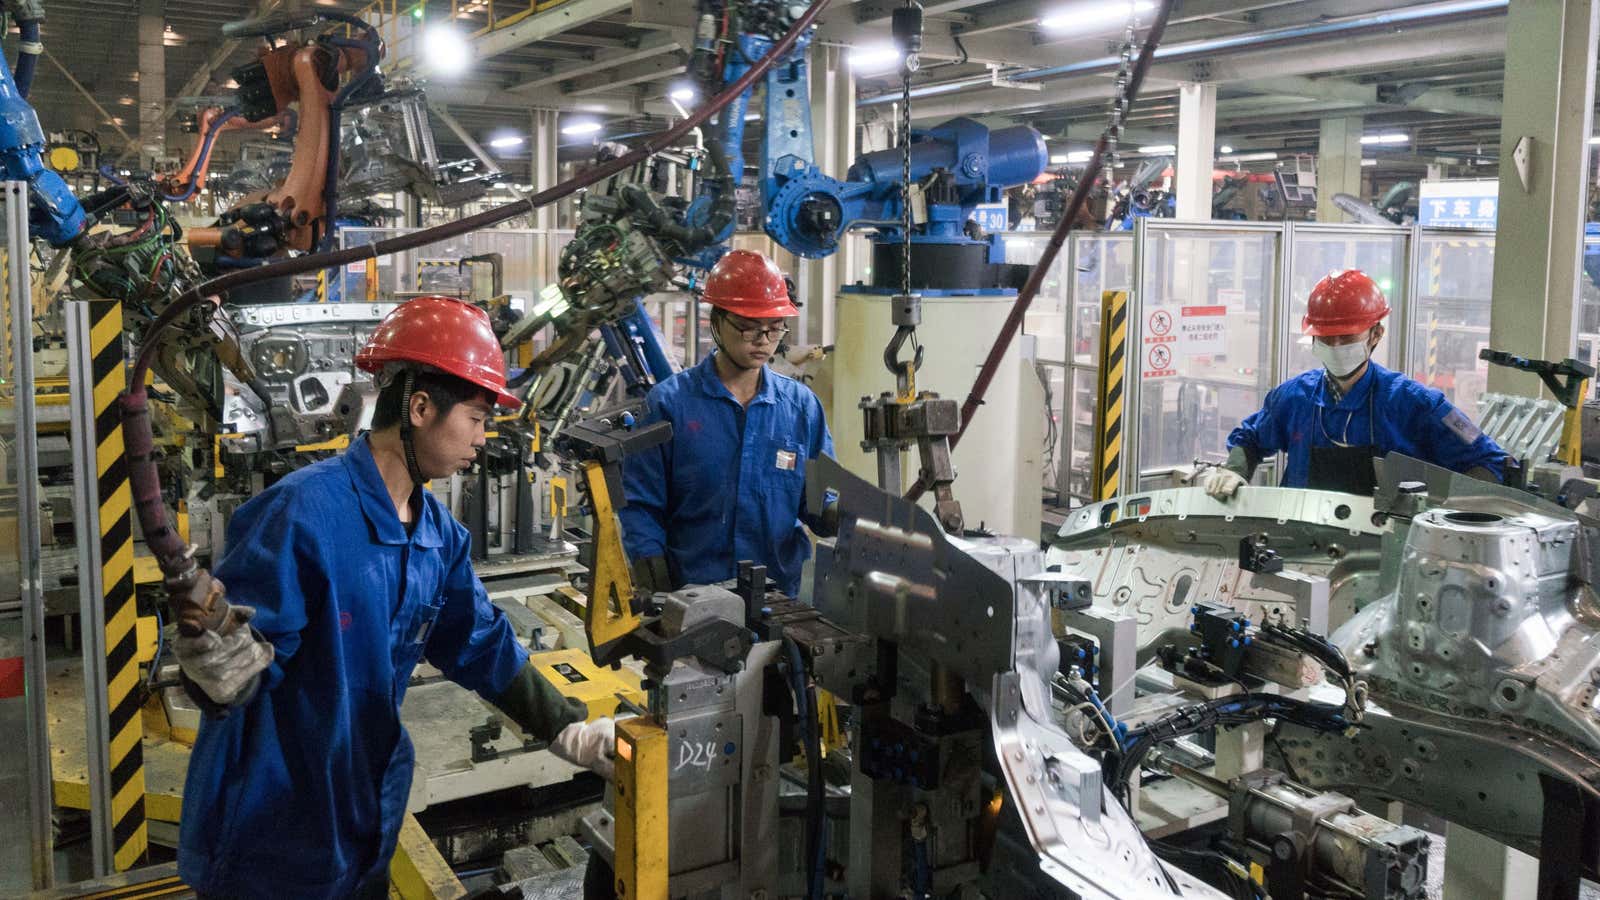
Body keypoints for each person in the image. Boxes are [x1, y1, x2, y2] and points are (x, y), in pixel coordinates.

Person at [174, 296, 614, 900]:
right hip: (275, 821)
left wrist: (570, 731)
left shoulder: (438, 535)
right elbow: (235, 670)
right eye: (477, 419)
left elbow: (480, 643)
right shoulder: (303, 513)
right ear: (420, 407)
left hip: (363, 806)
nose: (484, 440)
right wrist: (215, 666)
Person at [620, 249, 834, 596]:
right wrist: (654, 582)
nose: (763, 341)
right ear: (717, 322)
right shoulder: (670, 404)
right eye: (749, 328)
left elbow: (820, 502)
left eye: (774, 328)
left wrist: (850, 517)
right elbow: (640, 506)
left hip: (779, 601)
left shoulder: (801, 408)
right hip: (691, 598)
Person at [1201, 269, 1505, 499]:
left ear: (1376, 334)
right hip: (1300, 545)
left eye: (1346, 338)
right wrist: (1236, 470)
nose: (1335, 346)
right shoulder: (1293, 398)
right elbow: (1251, 437)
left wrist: (1448, 516)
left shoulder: (1415, 404)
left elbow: (1489, 462)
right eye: (1325, 338)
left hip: (1384, 555)